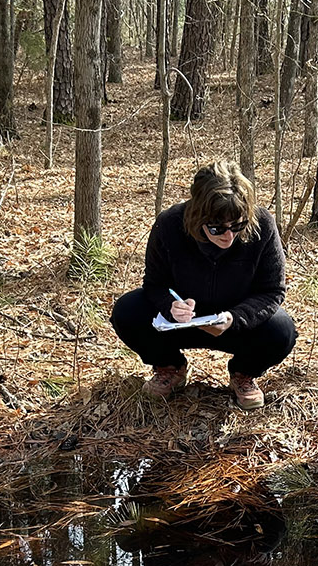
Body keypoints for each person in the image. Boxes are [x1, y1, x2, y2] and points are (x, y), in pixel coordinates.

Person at [111, 161, 297, 409]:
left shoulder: (263, 225)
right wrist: (170, 305)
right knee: (127, 311)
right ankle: (169, 367)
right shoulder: (169, 225)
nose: (228, 236)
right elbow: (154, 283)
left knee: (281, 330)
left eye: (238, 226)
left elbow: (272, 290)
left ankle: (244, 373)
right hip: (182, 323)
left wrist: (236, 317)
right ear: (197, 216)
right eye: (217, 228)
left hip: (236, 324)